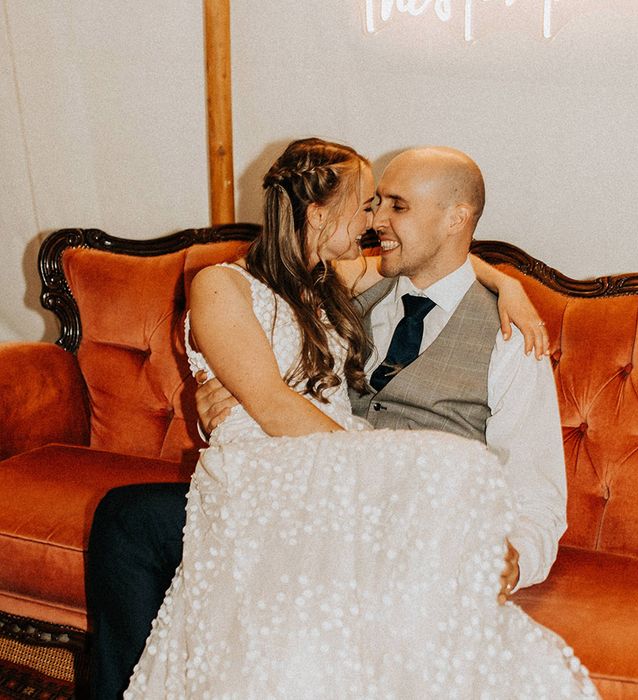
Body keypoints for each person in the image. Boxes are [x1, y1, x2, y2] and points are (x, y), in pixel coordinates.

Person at [90, 138, 596, 698]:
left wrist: (515, 560)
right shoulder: (353, 288)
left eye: (394, 206)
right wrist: (218, 404)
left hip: (408, 525)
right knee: (130, 520)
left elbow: (539, 490)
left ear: (457, 219)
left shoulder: (508, 336)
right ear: (319, 212)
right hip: (311, 497)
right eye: (372, 202)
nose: (376, 218)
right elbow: (274, 392)